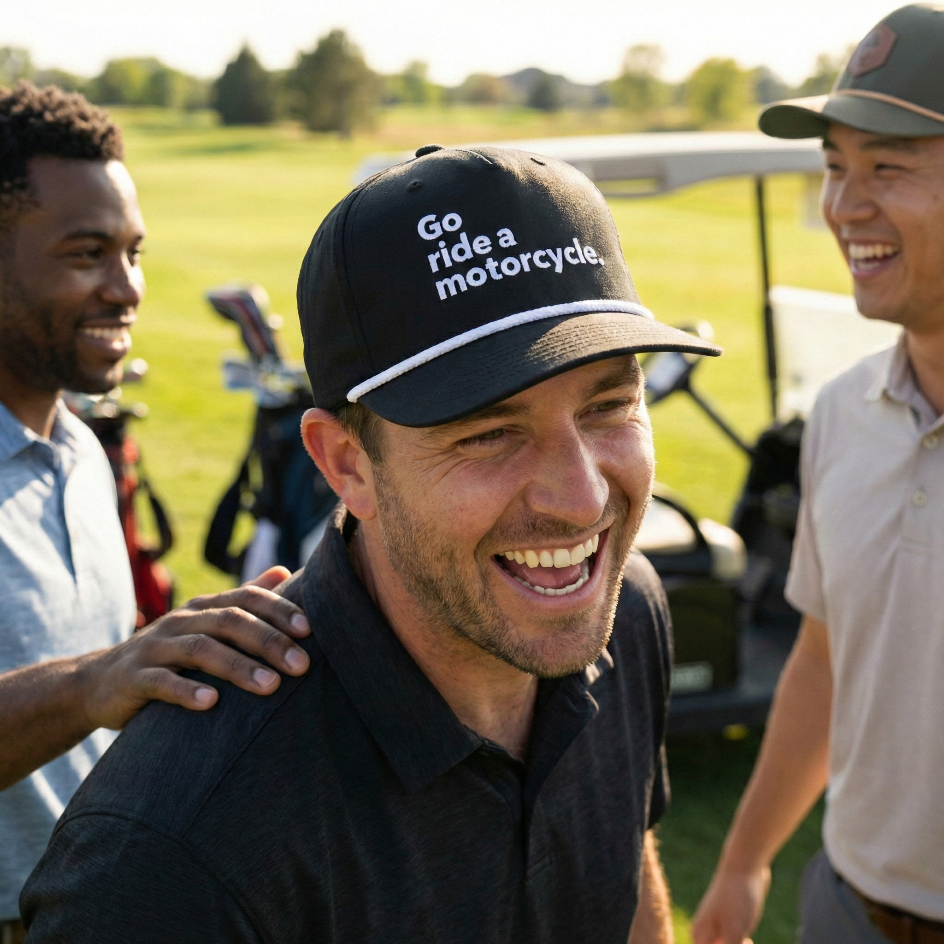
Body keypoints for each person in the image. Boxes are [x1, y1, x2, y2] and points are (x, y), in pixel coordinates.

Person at [20, 144, 721, 942]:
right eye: (490, 434)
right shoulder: (165, 861)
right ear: (346, 464)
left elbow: (625, 869)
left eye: (609, 406)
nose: (583, 499)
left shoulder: (625, 611)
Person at [0, 82, 313, 942]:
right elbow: (91, 682)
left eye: (133, 252)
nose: (127, 287)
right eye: (87, 253)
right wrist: (95, 681)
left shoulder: (82, 451)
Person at [692, 6, 944, 944]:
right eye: (836, 168)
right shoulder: (840, 415)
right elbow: (825, 658)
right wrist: (744, 861)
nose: (843, 207)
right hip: (847, 909)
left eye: (888, 167)